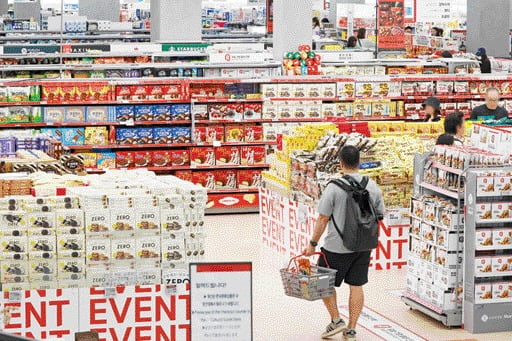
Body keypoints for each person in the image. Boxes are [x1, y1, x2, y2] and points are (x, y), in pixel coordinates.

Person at [304, 146, 385, 341]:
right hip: (364, 245)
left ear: (340, 163)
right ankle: (351, 329)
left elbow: (323, 218)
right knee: (356, 286)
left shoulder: (334, 187)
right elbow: (380, 215)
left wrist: (312, 244)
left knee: (323, 282)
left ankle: (336, 319)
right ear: (359, 162)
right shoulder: (372, 185)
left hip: (336, 246)